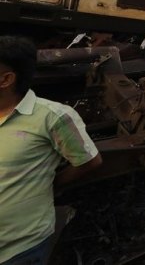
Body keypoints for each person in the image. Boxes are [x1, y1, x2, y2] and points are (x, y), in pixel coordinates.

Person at [0, 36, 102, 264]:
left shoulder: (53, 117)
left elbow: (89, 161)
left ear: (6, 79)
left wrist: (48, 182)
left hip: (19, 250)